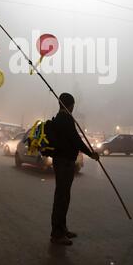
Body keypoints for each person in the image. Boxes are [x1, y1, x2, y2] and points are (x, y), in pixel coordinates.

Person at [50, 92, 99, 246]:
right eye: (73, 105)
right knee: (62, 197)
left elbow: (72, 139)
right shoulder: (65, 119)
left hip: (62, 161)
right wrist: (91, 154)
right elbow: (76, 140)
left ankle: (62, 229)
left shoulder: (59, 118)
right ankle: (57, 234)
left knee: (64, 196)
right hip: (64, 162)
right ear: (70, 105)